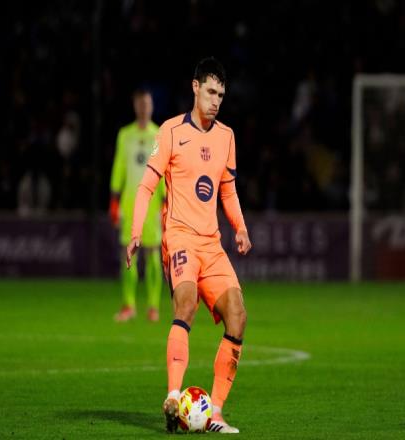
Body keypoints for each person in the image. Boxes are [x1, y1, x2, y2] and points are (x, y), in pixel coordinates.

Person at [126, 57, 252, 433]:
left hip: (211, 244)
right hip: (179, 237)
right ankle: (173, 396)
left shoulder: (226, 136)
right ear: (195, 88)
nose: (216, 101)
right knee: (186, 303)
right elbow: (146, 186)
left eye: (221, 95)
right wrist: (136, 232)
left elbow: (227, 190)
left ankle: (215, 413)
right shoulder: (170, 131)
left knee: (238, 315)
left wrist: (240, 227)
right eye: (210, 92)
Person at [110, 88, 165, 322]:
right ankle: (129, 305)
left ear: (151, 106)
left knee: (153, 254)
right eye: (140, 104)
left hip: (152, 204)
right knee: (128, 254)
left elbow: (164, 170)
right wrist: (114, 199)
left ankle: (153, 306)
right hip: (130, 203)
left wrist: (166, 202)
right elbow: (119, 166)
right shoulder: (125, 135)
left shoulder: (159, 135)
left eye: (147, 104)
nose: (144, 108)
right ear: (135, 106)